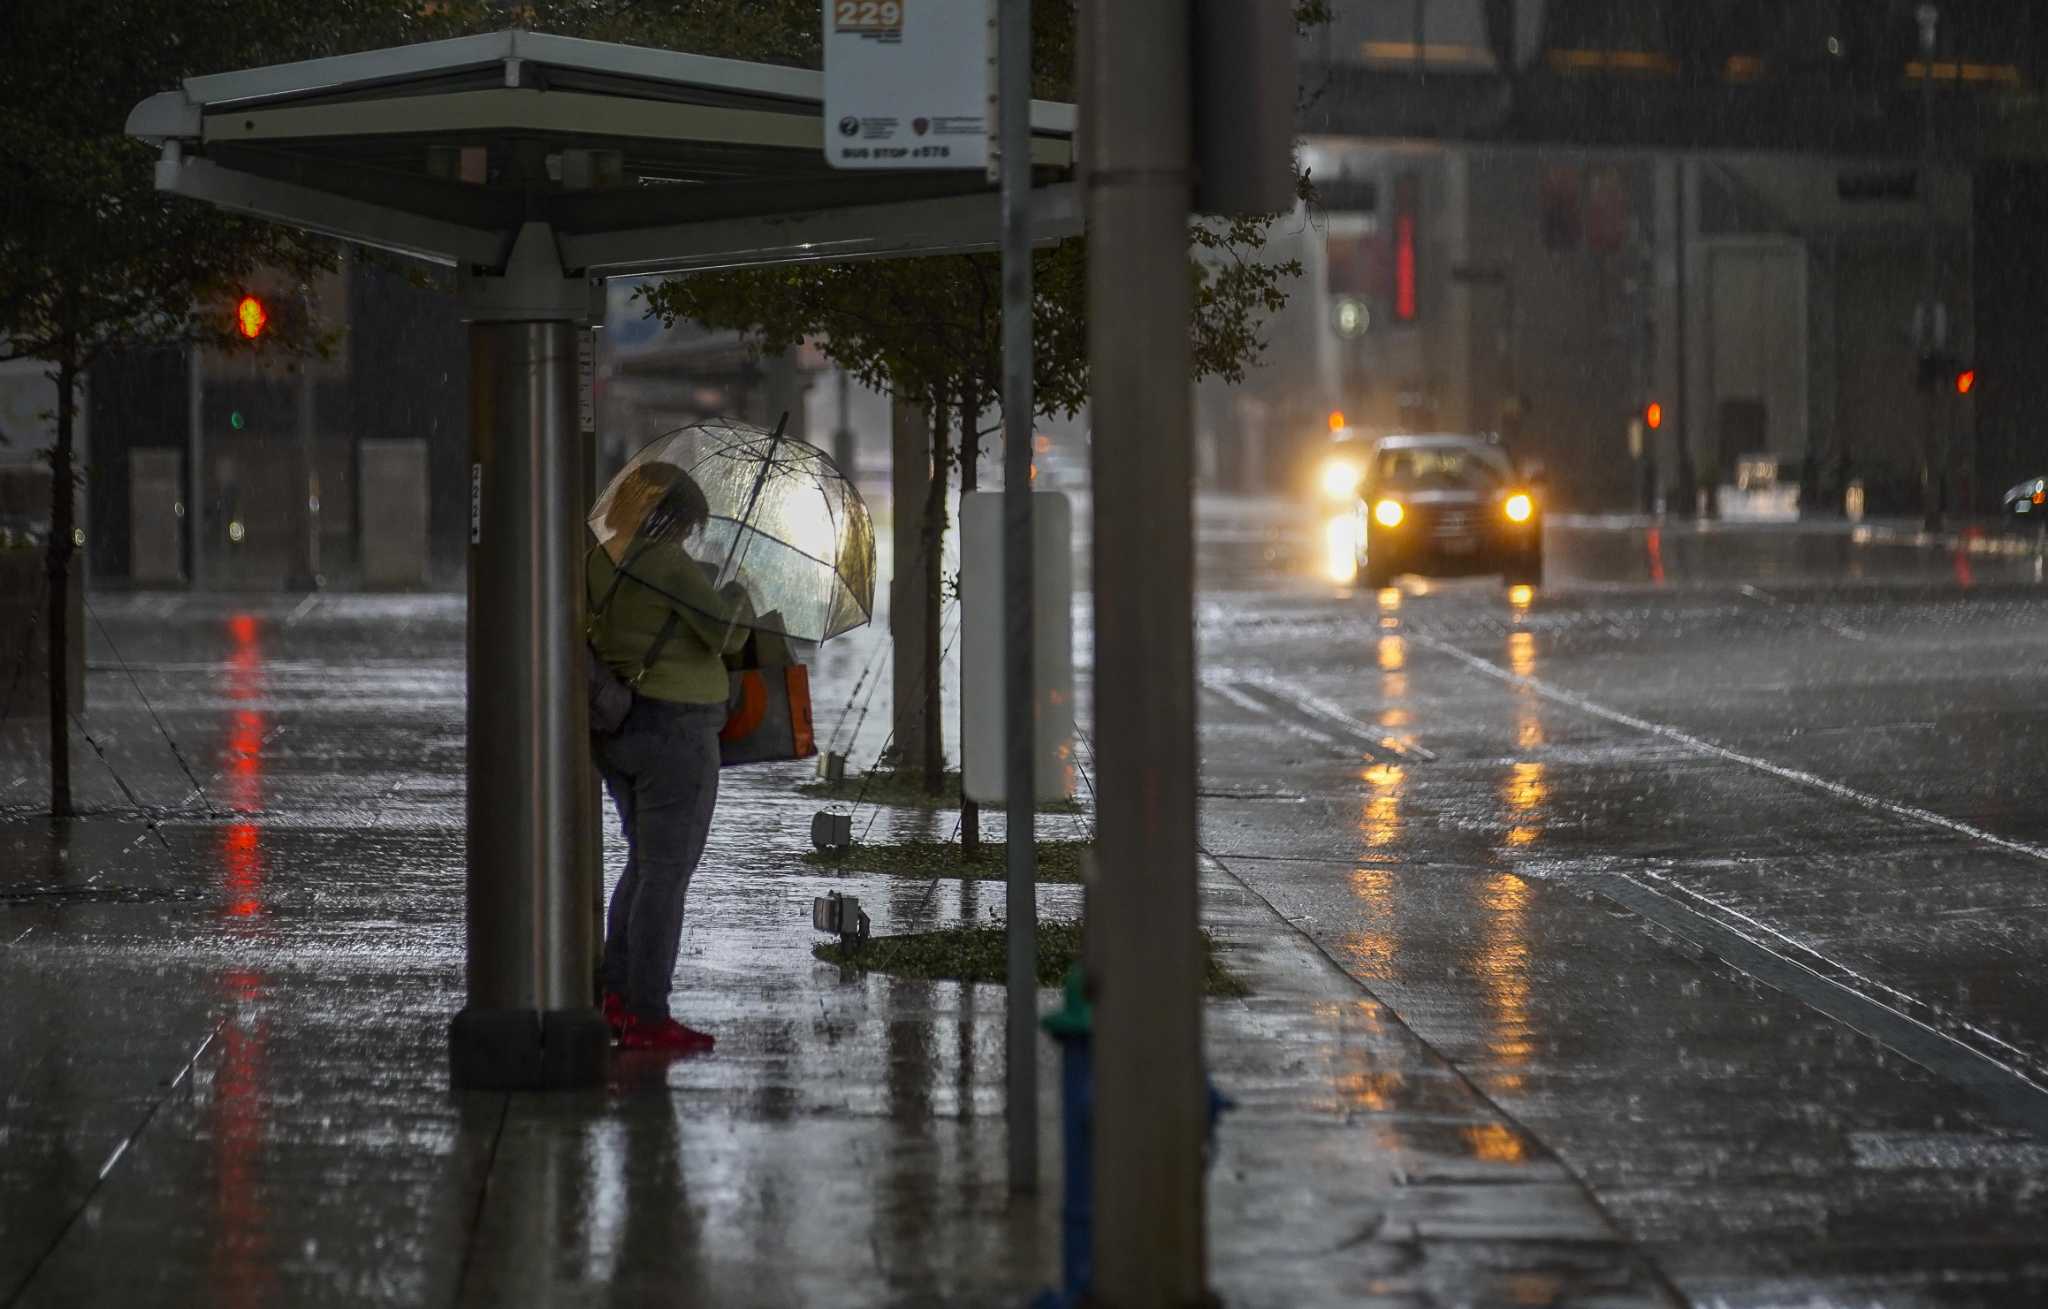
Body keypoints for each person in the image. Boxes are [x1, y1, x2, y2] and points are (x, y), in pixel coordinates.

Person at [588, 462, 753, 1054]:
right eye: (688, 522)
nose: (689, 534)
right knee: (668, 872)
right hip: (676, 730)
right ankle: (648, 1014)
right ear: (673, 516)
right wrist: (738, 592)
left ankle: (617, 992)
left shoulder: (600, 559)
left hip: (621, 727)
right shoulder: (667, 562)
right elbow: (725, 635)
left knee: (647, 861)